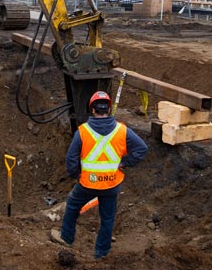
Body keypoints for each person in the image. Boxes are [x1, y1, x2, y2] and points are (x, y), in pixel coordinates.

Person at [50, 90, 148, 259]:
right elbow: (142, 149)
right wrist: (125, 163)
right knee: (108, 218)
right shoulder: (122, 131)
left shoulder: (82, 131)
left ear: (92, 110)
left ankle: (66, 237)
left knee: (73, 205)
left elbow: (71, 159)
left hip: (88, 183)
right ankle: (101, 253)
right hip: (111, 184)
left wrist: (75, 175)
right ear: (108, 110)